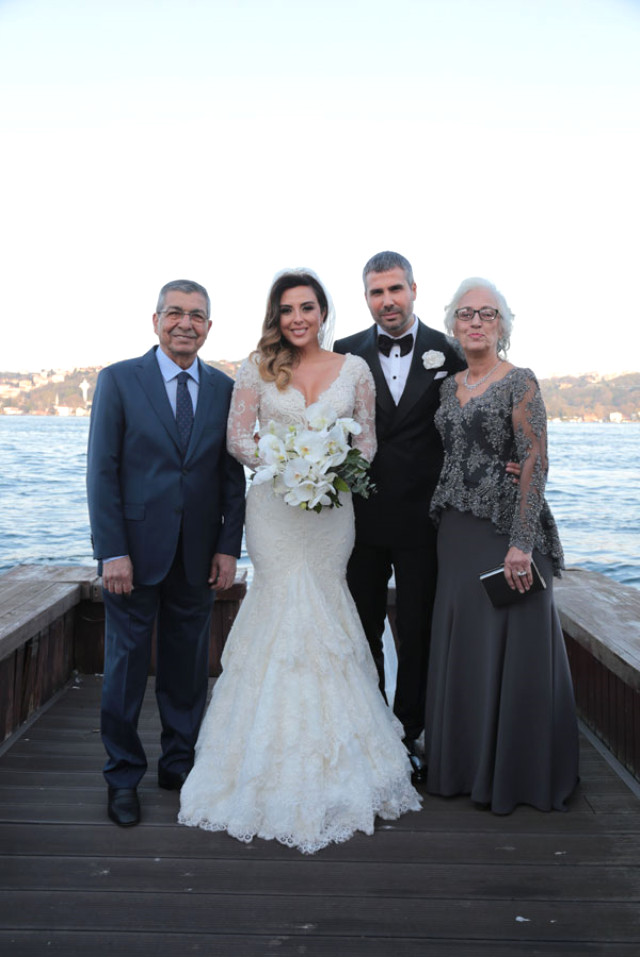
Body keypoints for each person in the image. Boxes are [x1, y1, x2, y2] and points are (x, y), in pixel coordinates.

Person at [179, 269, 421, 853]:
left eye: (307, 307)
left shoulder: (353, 369)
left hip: (332, 511)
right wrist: (288, 463)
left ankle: (343, 764)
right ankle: (257, 764)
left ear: (322, 312)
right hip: (275, 511)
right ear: (276, 315)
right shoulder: (256, 368)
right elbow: (239, 438)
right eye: (287, 309)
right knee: (280, 608)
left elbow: (366, 440)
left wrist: (333, 467)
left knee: (327, 611)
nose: (297, 319)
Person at [86, 279, 246, 828]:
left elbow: (231, 480)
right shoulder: (118, 380)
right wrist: (112, 551)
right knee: (125, 671)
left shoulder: (224, 388)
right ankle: (122, 777)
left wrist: (228, 548)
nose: (185, 324)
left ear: (209, 327)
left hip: (197, 555)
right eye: (175, 313)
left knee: (188, 671)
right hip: (132, 555)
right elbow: (102, 472)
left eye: (197, 316)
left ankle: (179, 766)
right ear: (155, 321)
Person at [425, 277, 579, 814]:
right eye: (466, 313)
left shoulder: (520, 381)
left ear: (502, 325)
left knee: (516, 647)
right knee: (467, 646)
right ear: (452, 324)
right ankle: (463, 768)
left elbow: (535, 460)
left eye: (487, 313)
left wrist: (521, 543)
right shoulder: (447, 387)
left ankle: (519, 776)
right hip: (456, 532)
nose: (475, 322)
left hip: (505, 531)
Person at [333, 251, 465, 782]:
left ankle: (411, 731)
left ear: (413, 289)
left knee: (418, 629)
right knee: (361, 627)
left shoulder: (450, 351)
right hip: (358, 520)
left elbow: (475, 416)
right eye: (376, 292)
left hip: (423, 520)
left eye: (395, 289)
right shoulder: (343, 353)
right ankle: (372, 729)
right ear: (366, 297)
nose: (386, 300)